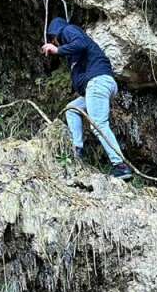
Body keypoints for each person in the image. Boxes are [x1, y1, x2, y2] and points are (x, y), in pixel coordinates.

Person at [41, 17, 131, 180]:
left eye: (53, 40)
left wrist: (57, 50)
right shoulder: (73, 54)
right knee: (72, 109)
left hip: (98, 82)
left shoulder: (67, 31)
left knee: (98, 124)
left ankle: (121, 165)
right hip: (98, 85)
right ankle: (77, 150)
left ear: (55, 34)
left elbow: (81, 42)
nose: (54, 43)